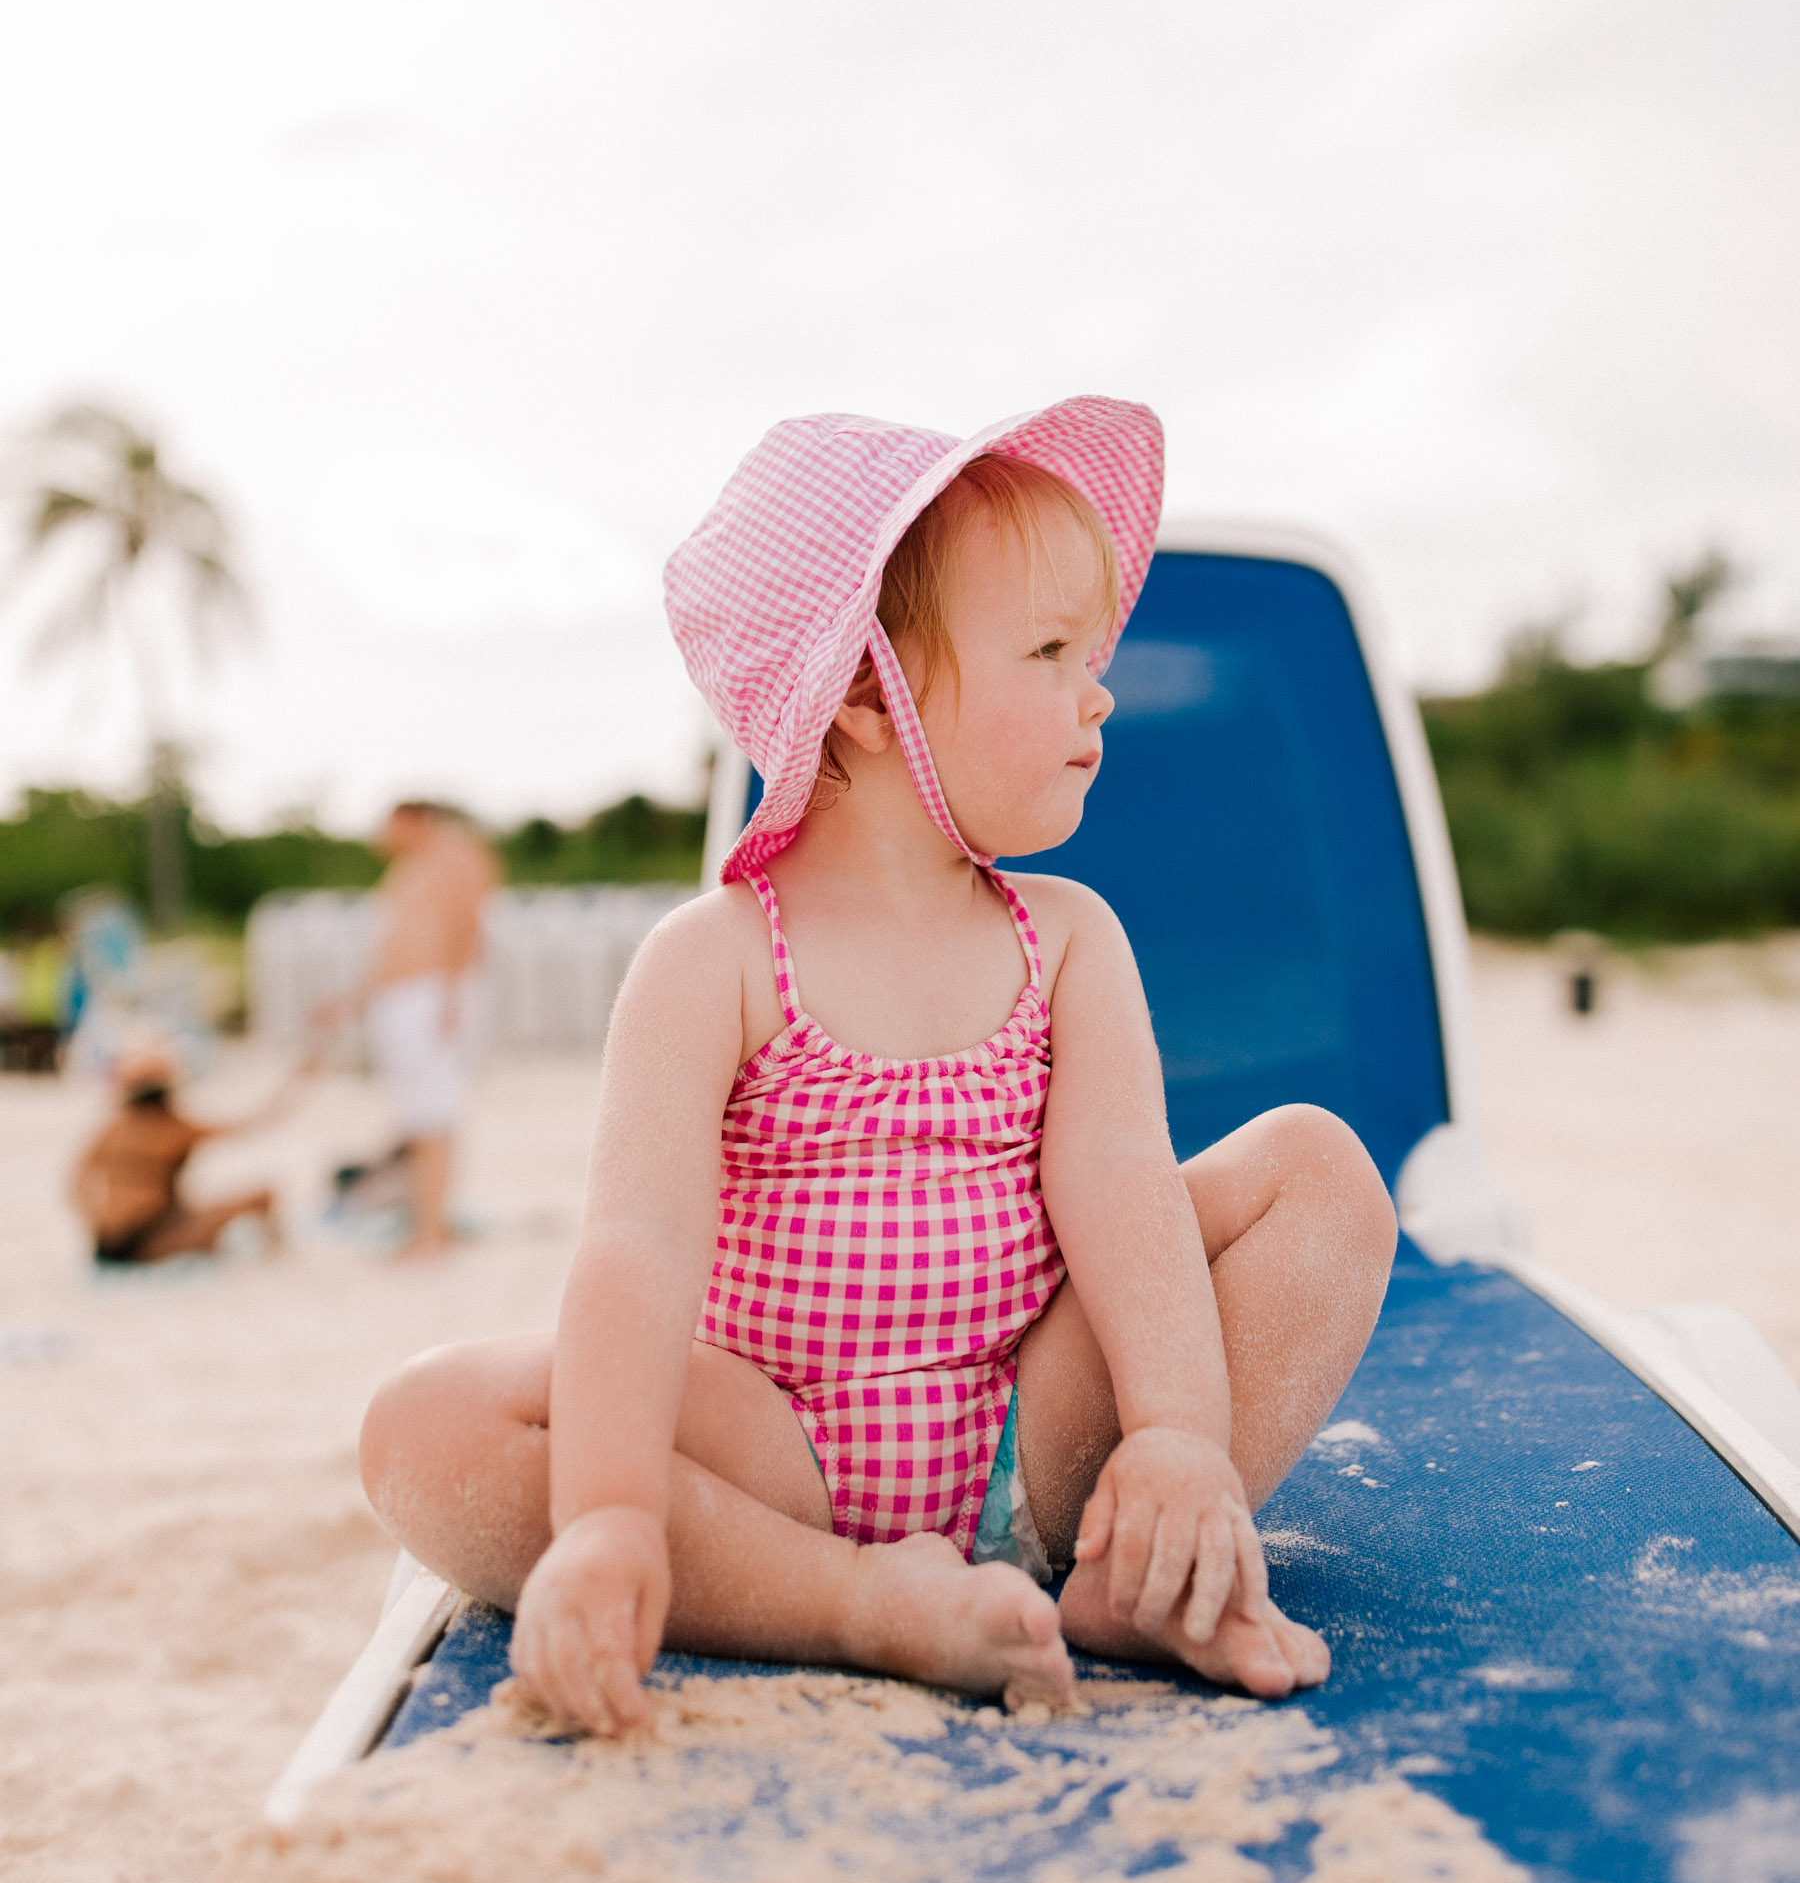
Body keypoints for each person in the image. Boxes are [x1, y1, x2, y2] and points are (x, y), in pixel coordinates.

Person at [360, 399, 1397, 1730]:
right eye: (1051, 648)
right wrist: (610, 1519)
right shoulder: (714, 960)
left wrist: (1183, 1438)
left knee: (1316, 1170)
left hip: (1039, 1431)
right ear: (864, 692)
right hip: (772, 1454)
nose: (1103, 689)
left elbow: (1123, 1194)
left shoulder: (1070, 940)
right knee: (421, 1428)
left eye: (1096, 652)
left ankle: (1141, 1565)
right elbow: (638, 1251)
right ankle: (854, 1603)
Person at [311, 802, 498, 1257]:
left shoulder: (456, 856)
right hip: (409, 997)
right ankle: (432, 1222)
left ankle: (430, 1232)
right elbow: (393, 946)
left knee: (430, 1114)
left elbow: (467, 925)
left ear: (416, 821)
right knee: (419, 1115)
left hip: (431, 997)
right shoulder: (410, 868)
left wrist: (452, 997)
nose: (381, 835)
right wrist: (350, 1001)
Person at [70, 1047, 293, 1263]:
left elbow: (76, 1185)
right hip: (150, 1241)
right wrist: (293, 1087)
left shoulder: (113, 1129)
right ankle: (278, 1258)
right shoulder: (175, 1128)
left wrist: (101, 1223)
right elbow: (249, 1125)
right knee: (262, 1197)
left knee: (187, 1210)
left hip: (106, 1244)